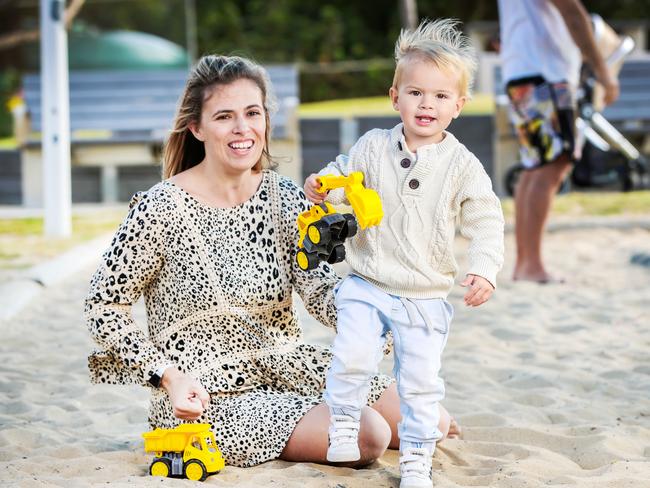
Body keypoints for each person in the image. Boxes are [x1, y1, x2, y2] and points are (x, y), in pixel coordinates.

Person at [84, 54, 459, 470]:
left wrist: (376, 314)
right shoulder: (159, 207)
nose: (242, 128)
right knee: (370, 435)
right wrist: (167, 377)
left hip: (289, 363)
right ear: (197, 128)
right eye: (224, 116)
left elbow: (316, 288)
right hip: (205, 391)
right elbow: (104, 308)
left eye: (252, 113)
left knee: (433, 422)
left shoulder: (283, 196)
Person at [303, 19, 504, 488]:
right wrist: (322, 187)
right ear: (396, 97)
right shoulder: (373, 147)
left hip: (425, 295)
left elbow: (486, 220)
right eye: (415, 93)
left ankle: (416, 456)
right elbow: (342, 177)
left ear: (458, 105)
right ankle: (345, 424)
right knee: (352, 355)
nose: (426, 104)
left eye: (439, 96)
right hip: (368, 282)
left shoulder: (461, 166)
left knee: (419, 383)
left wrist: (484, 269)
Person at [497, 0, 620, 283]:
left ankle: (525, 263)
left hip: (522, 69)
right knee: (552, 165)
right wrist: (602, 71)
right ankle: (531, 265)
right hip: (545, 74)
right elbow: (571, 11)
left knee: (535, 166)